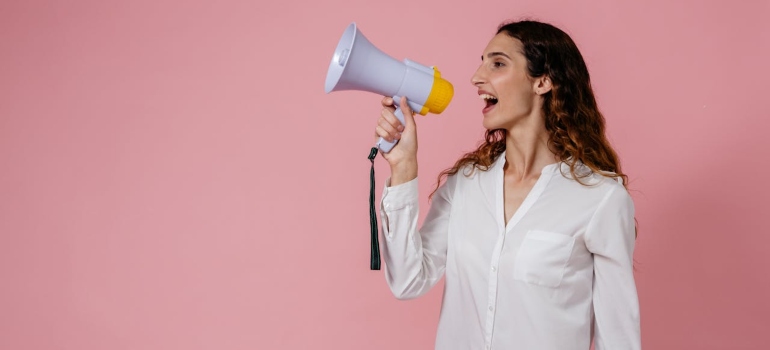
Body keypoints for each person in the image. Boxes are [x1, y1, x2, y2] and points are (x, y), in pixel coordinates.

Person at [373, 20, 640, 350]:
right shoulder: (466, 184)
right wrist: (404, 166)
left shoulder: (600, 199)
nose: (476, 77)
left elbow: (618, 338)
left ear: (542, 81)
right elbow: (407, 280)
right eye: (482, 61)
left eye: (497, 63)